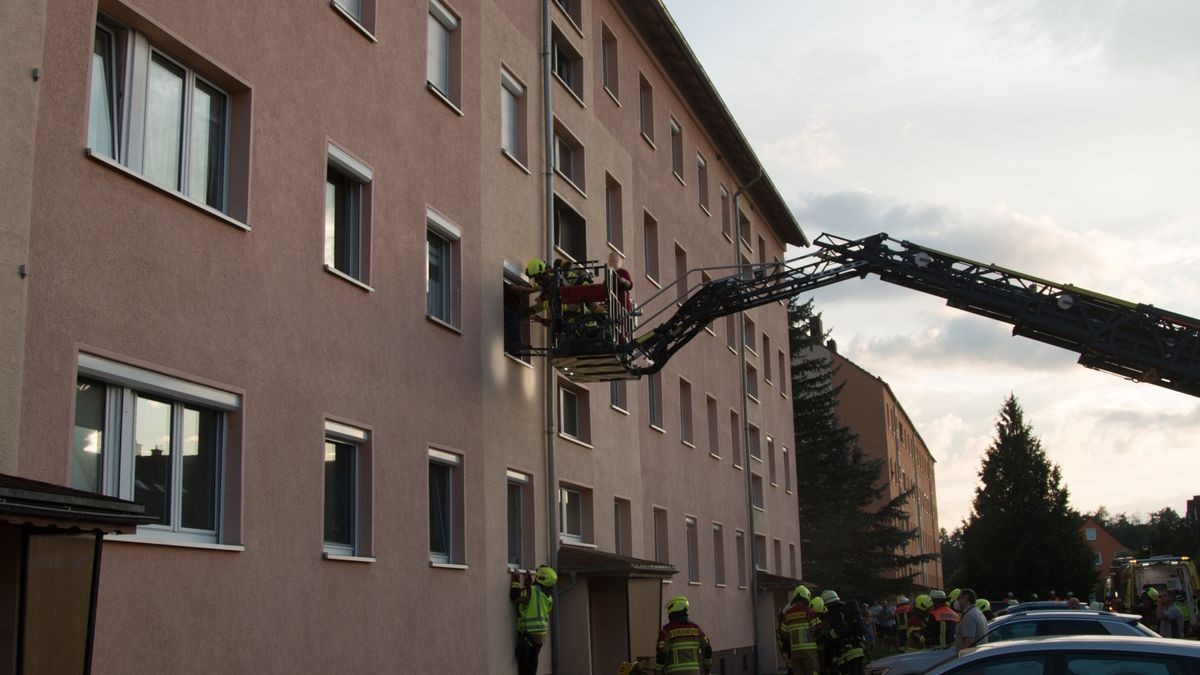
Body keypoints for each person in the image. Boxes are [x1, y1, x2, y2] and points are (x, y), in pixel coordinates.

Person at [511, 564, 556, 675]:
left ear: (541, 577)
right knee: (533, 662)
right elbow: (533, 594)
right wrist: (529, 581)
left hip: (529, 633)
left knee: (524, 664)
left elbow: (515, 596)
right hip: (540, 635)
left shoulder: (532, 591)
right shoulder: (549, 597)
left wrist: (516, 580)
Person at [654, 595, 713, 674]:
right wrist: (707, 669)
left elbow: (662, 654)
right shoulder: (696, 629)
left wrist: (657, 671)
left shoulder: (667, 630)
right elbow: (707, 649)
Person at [820, 590, 865, 675]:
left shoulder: (834, 613)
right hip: (858, 649)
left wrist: (826, 637)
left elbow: (839, 631)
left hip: (846, 654)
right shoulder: (845, 608)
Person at [780, 585, 820, 675]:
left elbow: (783, 633)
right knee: (813, 671)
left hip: (795, 653)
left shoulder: (787, 614)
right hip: (809, 651)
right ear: (806, 596)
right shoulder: (809, 611)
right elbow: (818, 628)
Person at [954, 589, 987, 654]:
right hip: (978, 655)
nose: (957, 601)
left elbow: (969, 642)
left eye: (959, 598)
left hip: (971, 657)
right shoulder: (977, 612)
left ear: (966, 599)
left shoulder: (969, 616)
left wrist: (961, 658)